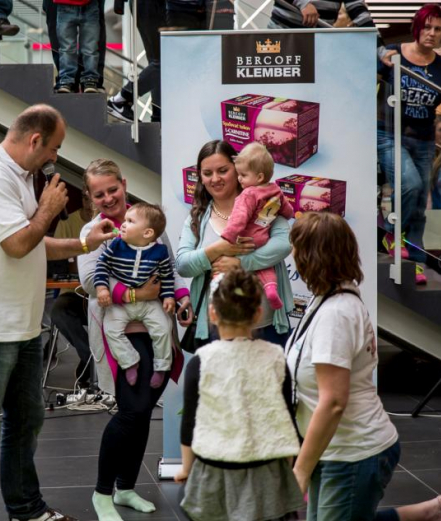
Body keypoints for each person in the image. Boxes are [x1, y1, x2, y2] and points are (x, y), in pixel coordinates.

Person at [0, 104, 115, 521]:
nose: (53, 158)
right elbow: (18, 243)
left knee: (25, 421)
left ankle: (25, 508)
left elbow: (32, 240)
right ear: (35, 139)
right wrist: (49, 209)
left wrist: (84, 243)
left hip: (18, 322)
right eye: (53, 148)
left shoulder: (19, 175)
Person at [286, 211, 441, 521]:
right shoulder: (325, 300)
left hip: (353, 452)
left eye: (296, 248)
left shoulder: (337, 314)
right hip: (336, 448)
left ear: (311, 255)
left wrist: (301, 470)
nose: (291, 255)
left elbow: (333, 402)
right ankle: (432, 513)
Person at [77, 158, 193, 521]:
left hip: (156, 333)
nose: (109, 198)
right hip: (120, 336)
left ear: (123, 184)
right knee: (131, 413)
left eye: (113, 189)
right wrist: (136, 295)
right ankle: (102, 493)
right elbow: (88, 282)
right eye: (100, 194)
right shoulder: (91, 232)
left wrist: (183, 296)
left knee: (142, 415)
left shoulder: (147, 222)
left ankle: (125, 487)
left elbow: (169, 269)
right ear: (90, 197)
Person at [174, 268, 304, 521]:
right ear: (258, 313)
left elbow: (189, 424)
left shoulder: (201, 362)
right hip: (268, 471)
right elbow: (286, 419)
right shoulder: (276, 358)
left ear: (212, 313)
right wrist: (286, 472)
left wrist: (186, 469)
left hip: (215, 472)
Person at [377, 4, 441, 284]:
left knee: (417, 207)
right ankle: (391, 235)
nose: (432, 33)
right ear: (417, 27)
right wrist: (381, 55)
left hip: (424, 140)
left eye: (438, 29)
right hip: (389, 134)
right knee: (411, 185)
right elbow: (366, 70)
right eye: (427, 27)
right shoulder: (394, 53)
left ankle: (414, 262)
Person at [176, 139, 294, 348]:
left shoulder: (265, 203)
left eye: (223, 170)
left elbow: (283, 245)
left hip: (267, 327)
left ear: (239, 171)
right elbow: (183, 265)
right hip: (217, 331)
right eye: (207, 173)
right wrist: (219, 249)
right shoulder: (197, 217)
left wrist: (240, 263)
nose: (215, 179)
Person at [95, 203, 175, 388]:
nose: (123, 224)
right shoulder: (116, 245)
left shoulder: (160, 252)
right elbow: (101, 266)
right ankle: (130, 361)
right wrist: (102, 288)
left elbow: (167, 275)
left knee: (164, 328)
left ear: (147, 233)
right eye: (125, 220)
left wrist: (169, 296)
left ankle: (162, 366)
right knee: (110, 329)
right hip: (121, 304)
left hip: (149, 303)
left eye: (130, 221)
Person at [222, 143, 294, 310]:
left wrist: (227, 238)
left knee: (226, 264)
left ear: (259, 177)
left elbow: (239, 220)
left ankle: (229, 298)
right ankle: (270, 288)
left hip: (245, 239)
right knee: (264, 265)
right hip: (263, 238)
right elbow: (288, 211)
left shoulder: (248, 194)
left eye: (243, 175)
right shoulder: (276, 191)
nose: (239, 178)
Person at [50, 191, 94, 387]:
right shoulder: (67, 223)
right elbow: (58, 261)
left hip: (108, 296)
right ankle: (90, 358)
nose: (89, 203)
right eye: (85, 197)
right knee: (59, 310)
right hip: (75, 294)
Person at [107, 0, 164, 123]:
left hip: (147, 6)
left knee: (157, 63)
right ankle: (121, 99)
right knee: (163, 62)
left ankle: (158, 117)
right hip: (149, 5)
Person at [44, 0, 106, 94]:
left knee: (86, 48)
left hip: (88, 5)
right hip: (65, 5)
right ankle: (68, 80)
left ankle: (86, 79)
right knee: (71, 48)